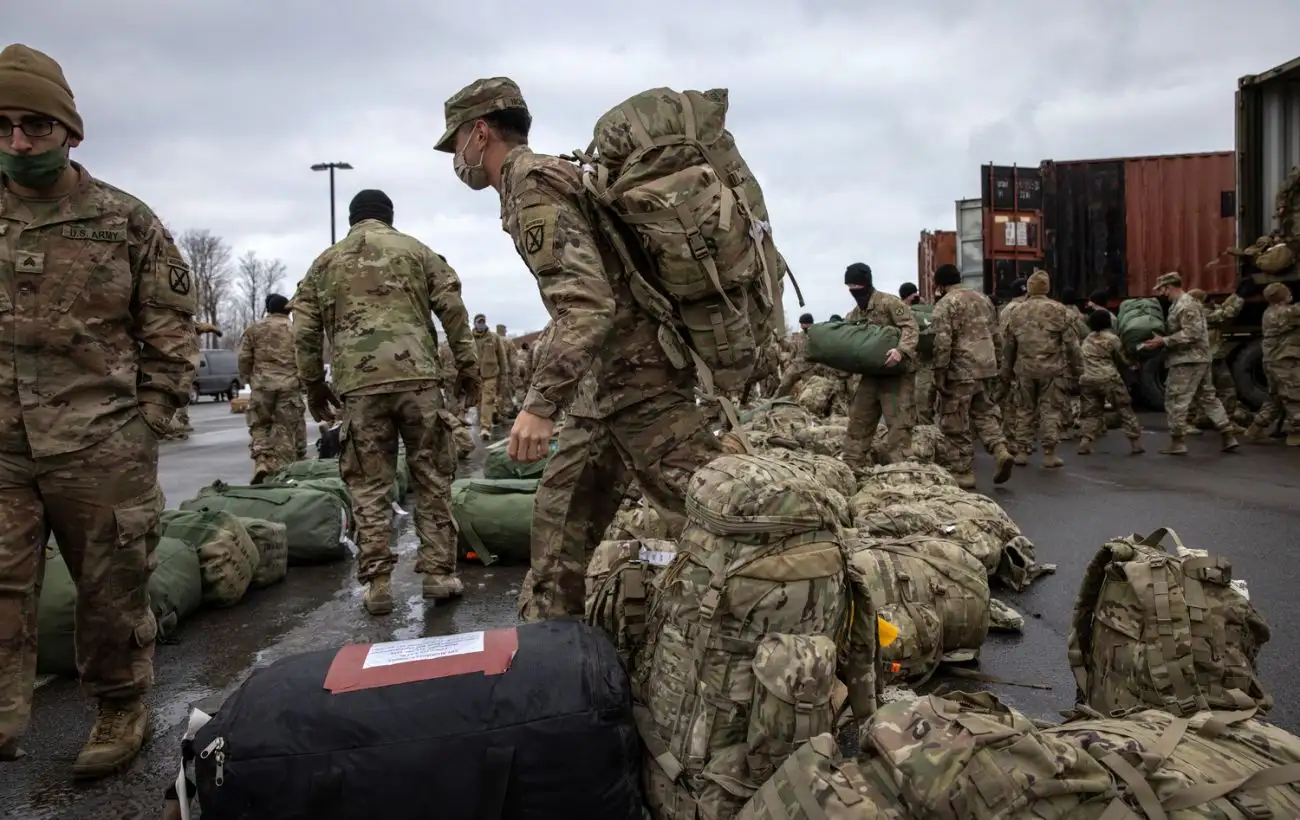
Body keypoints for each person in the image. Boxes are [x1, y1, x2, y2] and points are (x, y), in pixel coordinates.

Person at [434, 76, 722, 620]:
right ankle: (550, 652)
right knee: (560, 523)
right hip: (605, 389)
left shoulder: (530, 185)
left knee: (710, 519)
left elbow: (588, 304)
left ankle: (790, 611)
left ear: (479, 134)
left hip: (638, 384)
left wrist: (540, 405)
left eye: (455, 146)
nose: (456, 160)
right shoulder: (548, 176)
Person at [0, 44, 198, 777]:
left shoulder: (122, 221)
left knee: (111, 589)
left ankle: (120, 702)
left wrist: (149, 419)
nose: (18, 142)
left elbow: (172, 326)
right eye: (3, 127)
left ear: (69, 132)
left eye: (34, 126)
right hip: (3, 446)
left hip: (100, 444)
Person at [294, 189, 480, 614]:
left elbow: (303, 329)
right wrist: (468, 365)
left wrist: (313, 385)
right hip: (418, 379)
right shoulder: (416, 251)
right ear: (389, 218)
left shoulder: (324, 263)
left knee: (369, 485)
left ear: (351, 219)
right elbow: (452, 307)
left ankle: (378, 584)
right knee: (432, 476)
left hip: (359, 386)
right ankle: (438, 574)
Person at [929, 264, 1014, 489]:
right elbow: (996, 335)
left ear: (940, 284)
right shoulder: (984, 299)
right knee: (985, 413)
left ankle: (963, 471)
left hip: (960, 370)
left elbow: (942, 342)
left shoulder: (945, 305)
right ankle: (1000, 449)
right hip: (986, 367)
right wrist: (997, 364)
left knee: (955, 421)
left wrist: (939, 373)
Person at [1139, 272, 1239, 455]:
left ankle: (1178, 442)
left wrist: (1165, 341)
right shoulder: (1181, 304)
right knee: (1208, 397)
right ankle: (1228, 434)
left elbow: (1192, 333)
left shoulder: (1186, 304)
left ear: (1169, 286)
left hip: (1188, 360)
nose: (1162, 293)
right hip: (1196, 358)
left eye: (1162, 289)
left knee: (1176, 399)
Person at [1001, 271, 1083, 468]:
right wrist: (1079, 370)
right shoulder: (1061, 311)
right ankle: (1049, 453)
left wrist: (1007, 370)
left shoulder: (1016, 312)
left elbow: (1008, 346)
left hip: (1024, 369)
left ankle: (1022, 451)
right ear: (1047, 288)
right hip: (1052, 370)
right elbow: (1072, 345)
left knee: (1024, 410)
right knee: (1051, 411)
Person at [842, 262, 918, 469]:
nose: (854, 292)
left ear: (867, 284)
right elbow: (848, 338)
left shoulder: (890, 303)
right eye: (850, 288)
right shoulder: (855, 314)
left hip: (896, 376)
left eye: (857, 287)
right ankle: (851, 468)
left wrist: (900, 351)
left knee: (898, 426)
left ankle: (900, 472)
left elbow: (910, 327)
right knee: (858, 421)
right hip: (870, 376)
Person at [237, 294, 303, 483]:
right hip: (289, 386)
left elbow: (244, 359)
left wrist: (250, 376)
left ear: (268, 309)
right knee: (284, 430)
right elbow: (305, 357)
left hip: (262, 385)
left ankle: (262, 462)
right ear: (287, 309)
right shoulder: (295, 330)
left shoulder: (254, 329)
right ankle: (282, 474)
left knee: (259, 425)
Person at [1076, 309, 1144, 455]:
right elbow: (1122, 358)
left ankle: (1085, 442)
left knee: (1092, 413)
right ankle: (1135, 443)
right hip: (1109, 378)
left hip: (1088, 379)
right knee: (1124, 409)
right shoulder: (1111, 338)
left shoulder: (1087, 339)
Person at [1245, 282, 1300, 445]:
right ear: (1283, 296)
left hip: (1273, 360)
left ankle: (1256, 427)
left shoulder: (1269, 312)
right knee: (1295, 396)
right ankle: (1296, 434)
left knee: (1275, 397)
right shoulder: (1286, 313)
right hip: (1284, 362)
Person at [472, 313, 509, 439]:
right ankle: (489, 418)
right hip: (475, 376)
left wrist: (504, 374)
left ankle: (485, 428)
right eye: (479, 322)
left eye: (483, 322)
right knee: (479, 400)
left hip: (491, 374)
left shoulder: (493, 337)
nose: (481, 324)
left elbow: (501, 356)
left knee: (487, 400)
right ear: (474, 323)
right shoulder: (470, 338)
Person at [495, 322, 517, 417]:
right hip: (506, 370)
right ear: (503, 330)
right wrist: (515, 371)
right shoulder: (507, 341)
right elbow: (512, 358)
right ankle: (508, 410)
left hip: (494, 371)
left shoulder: (492, 339)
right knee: (506, 391)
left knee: (496, 391)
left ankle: (497, 410)